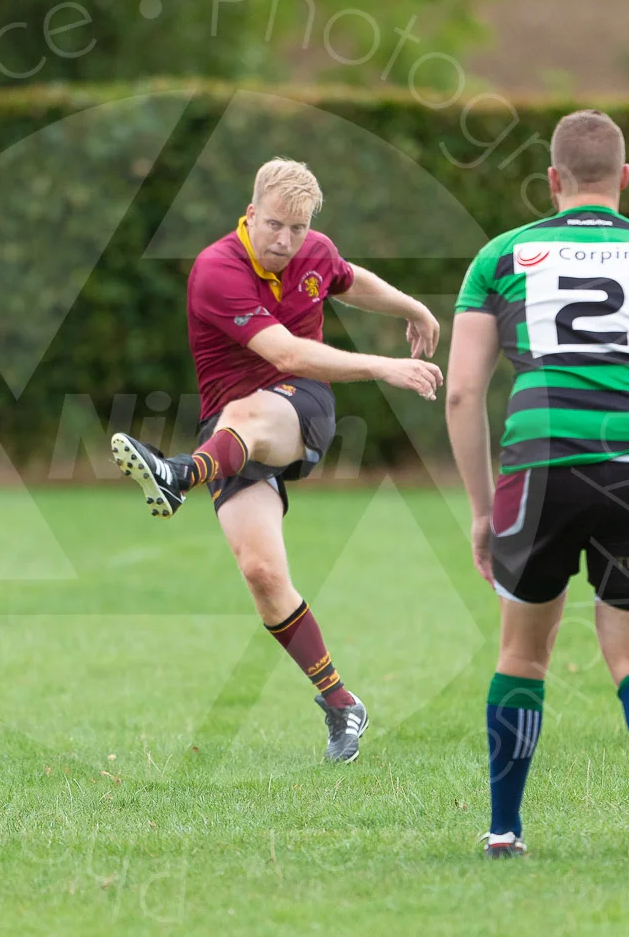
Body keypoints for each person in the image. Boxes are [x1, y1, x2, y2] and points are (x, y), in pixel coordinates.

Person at [444, 110, 629, 861]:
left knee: (522, 654)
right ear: (624, 179)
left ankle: (504, 830)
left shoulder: (501, 256)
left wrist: (480, 506)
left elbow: (464, 394)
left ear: (552, 181)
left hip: (538, 464)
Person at [109, 158, 443, 764]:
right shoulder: (216, 270)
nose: (286, 241)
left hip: (301, 407)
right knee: (262, 574)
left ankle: (178, 474)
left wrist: (412, 309)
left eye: (297, 228)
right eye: (274, 226)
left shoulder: (312, 250)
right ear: (250, 212)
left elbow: (345, 280)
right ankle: (343, 704)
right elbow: (283, 350)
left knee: (250, 417)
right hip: (231, 429)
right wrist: (382, 366)